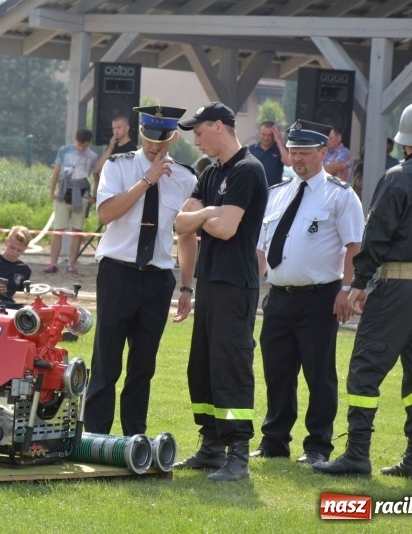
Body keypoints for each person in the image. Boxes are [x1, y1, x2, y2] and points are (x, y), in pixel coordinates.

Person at [313, 98, 412, 480]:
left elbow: (377, 235)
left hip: (398, 283)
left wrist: (359, 284)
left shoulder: (397, 177)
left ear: (404, 142)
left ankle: (357, 454)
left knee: (366, 367)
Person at [252, 120, 364, 466]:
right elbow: (260, 249)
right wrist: (252, 289)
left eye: (304, 152)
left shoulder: (339, 195)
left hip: (321, 297)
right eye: (294, 151)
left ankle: (318, 445)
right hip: (280, 296)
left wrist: (347, 289)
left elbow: (354, 247)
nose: (297, 158)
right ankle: (274, 440)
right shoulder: (277, 193)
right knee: (277, 371)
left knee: (319, 374)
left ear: (322, 153)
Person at [84, 105, 198, 437]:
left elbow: (187, 235)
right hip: (118, 273)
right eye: (149, 139)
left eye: (161, 141)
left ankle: (135, 436)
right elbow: (106, 213)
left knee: (143, 366)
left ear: (174, 137)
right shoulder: (118, 167)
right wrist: (147, 181)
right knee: (106, 361)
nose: (154, 147)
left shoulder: (187, 178)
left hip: (158, 277)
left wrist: (187, 288)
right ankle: (96, 436)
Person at [172, 102, 268, 482]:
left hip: (235, 285)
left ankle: (238, 454)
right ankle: (211, 446)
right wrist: (211, 211)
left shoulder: (248, 169)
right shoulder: (211, 173)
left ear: (218, 126)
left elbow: (227, 229)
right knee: (203, 369)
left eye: (198, 132)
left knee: (231, 371)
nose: (195, 141)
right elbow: (181, 224)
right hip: (209, 285)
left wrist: (207, 216)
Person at [44, 129, 100, 274]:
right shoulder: (64, 150)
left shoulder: (92, 156)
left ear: (88, 143)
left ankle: (71, 264)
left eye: (84, 145)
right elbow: (56, 171)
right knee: (58, 230)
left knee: (77, 230)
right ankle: (53, 263)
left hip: (81, 194)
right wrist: (52, 190)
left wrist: (94, 196)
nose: (81, 147)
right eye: (79, 144)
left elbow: (95, 177)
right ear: (75, 140)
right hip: (63, 192)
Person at [249, 121, 291, 186]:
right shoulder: (251, 149)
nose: (266, 138)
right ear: (259, 133)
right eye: (264, 134)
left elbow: (288, 163)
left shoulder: (279, 149)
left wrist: (279, 140)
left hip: (274, 191)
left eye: (270, 135)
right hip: (254, 191)